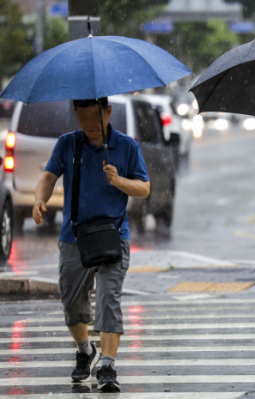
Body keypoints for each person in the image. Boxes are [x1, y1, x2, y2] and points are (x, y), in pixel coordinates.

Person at [32, 98, 150, 392]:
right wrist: (39, 200)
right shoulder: (67, 144)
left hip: (113, 234)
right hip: (75, 237)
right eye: (82, 117)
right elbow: (48, 176)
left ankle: (108, 365)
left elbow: (145, 188)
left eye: (94, 118)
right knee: (72, 303)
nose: (89, 125)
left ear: (108, 112)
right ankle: (86, 351)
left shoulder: (126, 146)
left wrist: (119, 181)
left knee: (109, 298)